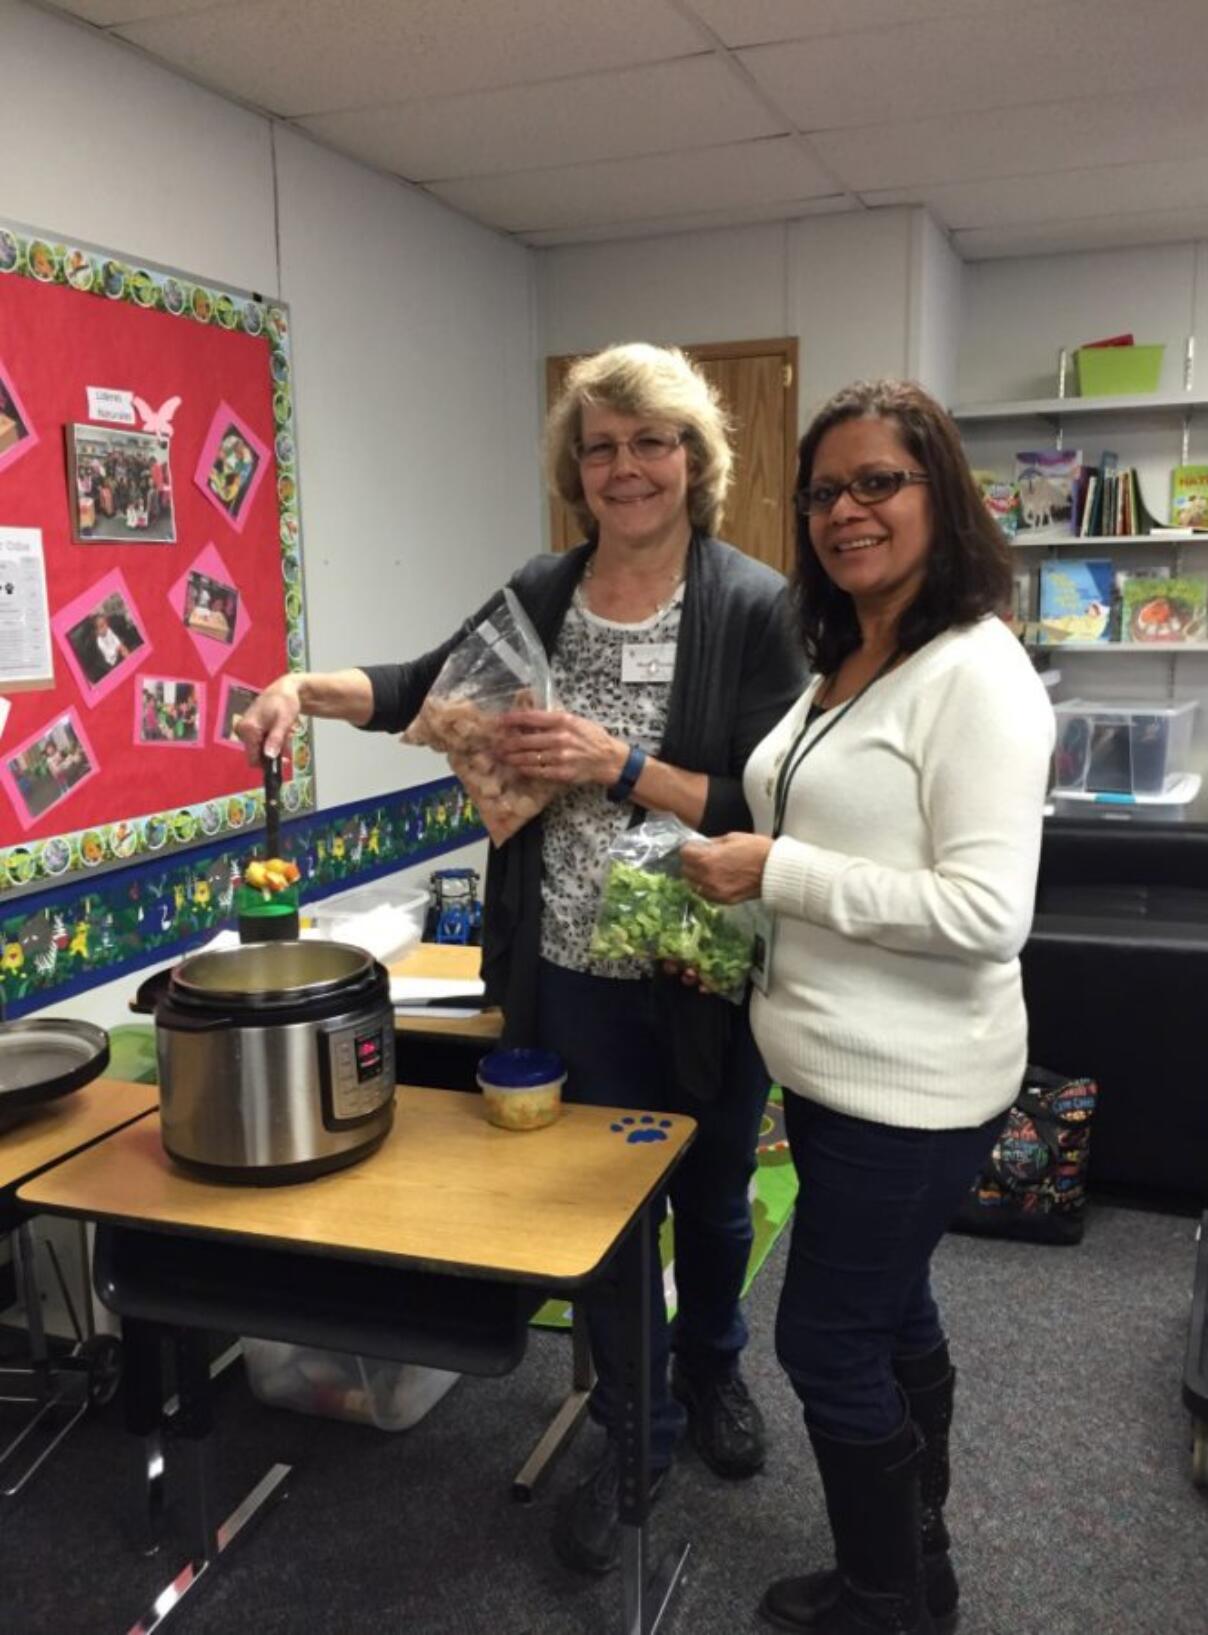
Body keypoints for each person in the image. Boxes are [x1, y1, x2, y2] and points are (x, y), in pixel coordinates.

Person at [237, 341, 809, 1574]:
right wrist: (299, 682)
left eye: (649, 441)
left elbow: (770, 811)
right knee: (590, 1220)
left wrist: (615, 766)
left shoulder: (755, 605)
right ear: (574, 468)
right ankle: (634, 1427)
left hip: (699, 976)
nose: (624, 467)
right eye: (599, 446)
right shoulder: (542, 589)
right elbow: (419, 688)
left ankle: (711, 1371)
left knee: (708, 1202)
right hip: (560, 972)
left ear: (693, 459)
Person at [678, 379, 1054, 1635]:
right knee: (890, 1312)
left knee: (824, 1346)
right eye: (826, 490)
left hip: (914, 1087)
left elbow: (982, 912)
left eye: (877, 482)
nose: (847, 511)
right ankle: (919, 1555)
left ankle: (887, 1598)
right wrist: (735, 916)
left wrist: (770, 872)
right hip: (831, 1072)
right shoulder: (846, 657)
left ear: (937, 493)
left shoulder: (976, 673)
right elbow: (813, 832)